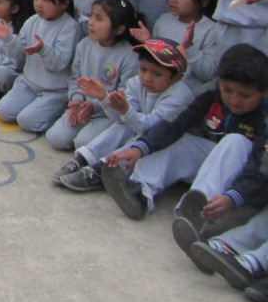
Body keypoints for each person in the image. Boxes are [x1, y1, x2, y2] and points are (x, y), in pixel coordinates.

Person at [103, 44, 268, 221]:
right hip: (209, 159)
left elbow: (262, 167)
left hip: (244, 179)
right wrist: (139, 148)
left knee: (236, 141)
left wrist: (234, 197)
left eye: (244, 95)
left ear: (265, 92)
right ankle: (140, 193)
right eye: (227, 90)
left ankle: (197, 212)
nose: (234, 100)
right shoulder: (211, 90)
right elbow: (176, 122)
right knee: (177, 139)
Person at [55, 38, 190, 193]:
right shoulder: (135, 83)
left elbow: (153, 129)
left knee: (137, 132)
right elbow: (120, 119)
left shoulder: (179, 95)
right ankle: (84, 159)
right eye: (143, 69)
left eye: (157, 74)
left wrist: (125, 110)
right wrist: (104, 98)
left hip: (170, 144)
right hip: (143, 132)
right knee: (123, 125)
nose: (147, 77)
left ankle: (102, 171)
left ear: (177, 78)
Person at [44, 0, 139, 152]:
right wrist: (76, 99)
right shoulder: (84, 45)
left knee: (83, 143)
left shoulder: (129, 56)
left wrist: (94, 106)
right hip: (82, 106)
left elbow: (125, 95)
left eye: (99, 19)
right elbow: (75, 77)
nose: (91, 22)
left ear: (119, 29)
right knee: (56, 139)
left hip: (108, 114)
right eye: (91, 16)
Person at [0, 0, 81, 133]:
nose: (39, 4)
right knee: (3, 111)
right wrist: (7, 38)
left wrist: (42, 49)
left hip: (53, 89)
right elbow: (19, 53)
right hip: (29, 83)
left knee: (26, 121)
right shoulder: (32, 21)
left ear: (64, 3)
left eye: (46, 0)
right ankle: (36, 107)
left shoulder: (70, 27)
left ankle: (57, 111)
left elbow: (59, 63)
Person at [131, 0, 218, 93]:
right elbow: (156, 61)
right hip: (158, 92)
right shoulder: (164, 20)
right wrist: (149, 42)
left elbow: (208, 73)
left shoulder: (211, 30)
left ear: (203, 2)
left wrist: (189, 47)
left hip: (188, 95)